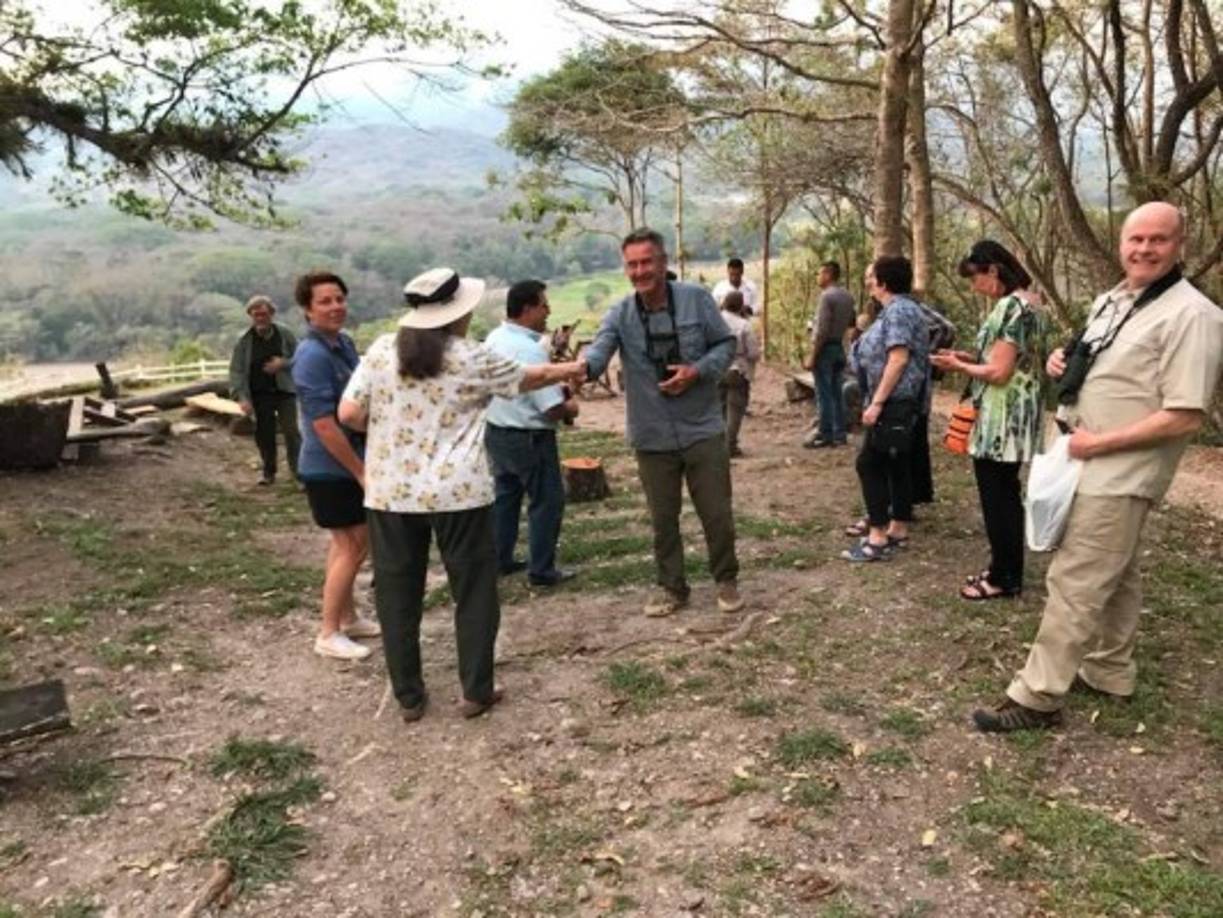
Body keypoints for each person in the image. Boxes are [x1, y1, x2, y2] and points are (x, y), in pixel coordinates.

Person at [973, 202, 1223, 732]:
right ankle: (1110, 669)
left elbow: (1184, 415)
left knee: (1076, 578)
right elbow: (1099, 358)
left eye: (1158, 240)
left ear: (1181, 244)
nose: (1144, 249)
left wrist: (1100, 442)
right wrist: (1061, 362)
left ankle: (1037, 696)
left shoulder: (1193, 315)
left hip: (1120, 468)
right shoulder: (1115, 300)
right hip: (1081, 456)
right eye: (1136, 239)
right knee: (1119, 569)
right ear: (1122, 244)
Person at [338, 268, 585, 721]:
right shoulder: (473, 357)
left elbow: (349, 412)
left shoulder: (380, 351)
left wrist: (392, 436)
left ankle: (409, 697)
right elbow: (532, 377)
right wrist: (572, 367)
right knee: (473, 591)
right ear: (458, 314)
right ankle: (476, 689)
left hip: (391, 494)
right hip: (460, 493)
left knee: (397, 594)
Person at [583, 228, 743, 617]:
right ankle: (673, 587)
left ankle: (726, 579)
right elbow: (598, 352)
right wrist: (579, 369)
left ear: (663, 262)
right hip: (651, 434)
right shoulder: (620, 313)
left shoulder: (696, 299)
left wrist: (698, 371)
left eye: (646, 261)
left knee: (716, 512)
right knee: (663, 519)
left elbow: (725, 344)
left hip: (702, 426)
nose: (640, 271)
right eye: (632, 264)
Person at [931, 240, 1048, 600]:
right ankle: (1004, 567)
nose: (974, 286)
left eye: (975, 277)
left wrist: (958, 366)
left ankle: (1003, 577)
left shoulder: (1010, 308)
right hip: (1023, 411)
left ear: (994, 271)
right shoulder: (1035, 303)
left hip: (1001, 416)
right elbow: (1012, 360)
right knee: (1007, 495)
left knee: (997, 499)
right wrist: (968, 356)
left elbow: (998, 372)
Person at [291, 271, 380, 661]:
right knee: (354, 544)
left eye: (339, 298)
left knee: (345, 543)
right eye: (324, 301)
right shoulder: (310, 356)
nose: (335, 307)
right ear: (308, 310)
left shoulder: (342, 344)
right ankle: (327, 632)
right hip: (330, 467)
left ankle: (347, 616)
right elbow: (324, 424)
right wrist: (359, 471)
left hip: (349, 460)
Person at [484, 279, 579, 586]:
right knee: (547, 500)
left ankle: (501, 559)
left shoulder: (493, 339)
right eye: (543, 305)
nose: (548, 311)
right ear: (527, 309)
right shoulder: (531, 351)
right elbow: (550, 408)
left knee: (506, 496)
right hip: (530, 437)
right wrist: (570, 408)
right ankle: (542, 569)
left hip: (498, 431)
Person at [841, 256, 930, 562]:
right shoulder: (896, 310)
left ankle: (877, 537)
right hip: (897, 400)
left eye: (871, 277)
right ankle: (899, 526)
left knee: (869, 464)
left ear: (883, 281)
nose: (868, 282)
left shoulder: (899, 311)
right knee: (896, 463)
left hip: (894, 401)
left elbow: (899, 358)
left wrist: (877, 402)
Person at [228, 295, 301, 485]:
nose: (260, 318)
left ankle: (299, 473)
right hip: (259, 394)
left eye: (264, 314)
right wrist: (241, 397)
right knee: (264, 434)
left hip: (284, 391)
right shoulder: (244, 341)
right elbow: (236, 371)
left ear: (272, 314)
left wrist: (283, 363)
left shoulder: (285, 334)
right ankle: (269, 473)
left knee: (292, 432)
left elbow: (302, 357)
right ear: (250, 316)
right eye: (256, 315)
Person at [802, 261, 856, 448]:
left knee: (823, 393)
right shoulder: (848, 296)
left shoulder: (827, 297)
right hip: (839, 347)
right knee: (836, 392)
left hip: (825, 349)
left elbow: (822, 330)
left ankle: (825, 433)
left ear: (827, 274)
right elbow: (851, 325)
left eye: (819, 273)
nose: (818, 277)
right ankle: (839, 433)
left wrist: (813, 355)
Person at [718, 290, 761, 458]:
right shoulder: (744, 325)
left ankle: (719, 444)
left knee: (719, 408)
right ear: (741, 306)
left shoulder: (715, 321)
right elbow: (753, 353)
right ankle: (730, 445)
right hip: (737, 370)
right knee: (735, 409)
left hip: (716, 368)